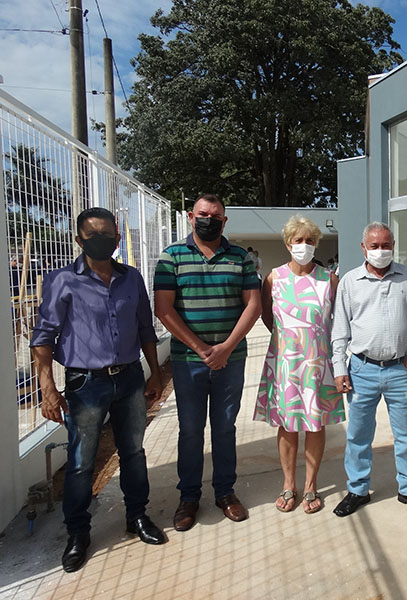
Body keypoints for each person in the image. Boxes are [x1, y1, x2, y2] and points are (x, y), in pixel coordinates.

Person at [31, 207, 166, 573]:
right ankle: (78, 533)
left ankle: (137, 516)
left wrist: (155, 374)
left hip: (130, 378)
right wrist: (47, 387)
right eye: (93, 236)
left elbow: (145, 329)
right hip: (86, 383)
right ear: (79, 240)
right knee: (80, 463)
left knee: (133, 452)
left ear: (117, 239)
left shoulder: (131, 278)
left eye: (108, 235)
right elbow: (43, 337)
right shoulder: (62, 281)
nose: (102, 241)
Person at [154, 193, 261, 531]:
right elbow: (163, 309)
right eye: (203, 214)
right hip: (188, 361)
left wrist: (226, 348)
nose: (208, 220)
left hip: (231, 360)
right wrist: (201, 348)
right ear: (191, 216)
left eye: (215, 216)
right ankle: (189, 497)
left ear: (224, 221)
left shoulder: (241, 258)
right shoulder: (171, 257)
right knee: (190, 430)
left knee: (225, 428)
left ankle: (225, 493)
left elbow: (254, 305)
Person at [331, 222, 407, 517]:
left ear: (393, 246)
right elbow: (340, 328)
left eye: (386, 245)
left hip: (401, 369)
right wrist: (339, 368)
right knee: (358, 435)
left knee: (406, 433)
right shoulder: (350, 281)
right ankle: (358, 490)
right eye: (374, 246)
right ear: (363, 248)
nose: (380, 251)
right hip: (361, 369)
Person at [253, 215, 345, 514]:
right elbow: (267, 315)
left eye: (309, 240)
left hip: (318, 363)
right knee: (287, 425)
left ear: (316, 244)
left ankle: (311, 485)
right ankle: (289, 483)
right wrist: (289, 341)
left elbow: (338, 320)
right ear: (288, 243)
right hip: (286, 364)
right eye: (298, 240)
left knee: (315, 425)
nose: (304, 245)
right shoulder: (274, 278)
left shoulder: (329, 279)